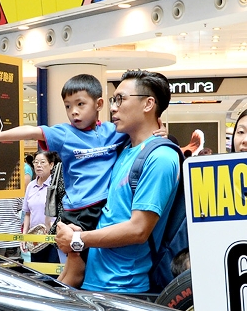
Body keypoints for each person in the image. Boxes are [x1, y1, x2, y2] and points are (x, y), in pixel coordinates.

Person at [0, 74, 139, 288]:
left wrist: (162, 134)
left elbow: (141, 133)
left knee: (77, 267)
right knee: (74, 269)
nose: (74, 112)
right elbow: (30, 132)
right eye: (68, 106)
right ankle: (56, 306)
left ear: (99, 104)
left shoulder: (113, 132)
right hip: (78, 210)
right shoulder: (65, 133)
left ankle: (54, 299)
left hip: (103, 208)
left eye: (80, 104)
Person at [55, 70, 178, 294]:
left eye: (120, 99)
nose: (113, 107)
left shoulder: (160, 157)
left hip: (123, 287)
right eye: (114, 100)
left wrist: (77, 239)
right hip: (97, 280)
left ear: (148, 104)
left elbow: (138, 229)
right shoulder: (124, 151)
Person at [22, 151, 61, 264]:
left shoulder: (57, 185)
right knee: (38, 273)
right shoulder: (30, 186)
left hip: (53, 239)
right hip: (35, 240)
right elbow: (27, 213)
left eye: (42, 162)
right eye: (36, 162)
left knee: (52, 273)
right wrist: (25, 235)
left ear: (51, 165)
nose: (38, 165)